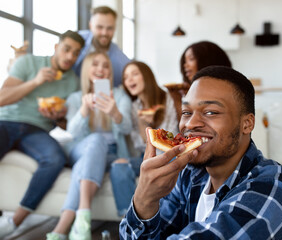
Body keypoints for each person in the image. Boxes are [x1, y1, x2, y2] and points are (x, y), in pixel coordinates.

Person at [119, 66, 282, 239]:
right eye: (186, 112)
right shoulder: (189, 175)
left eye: (210, 112)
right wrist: (144, 200)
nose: (190, 124)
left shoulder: (269, 187)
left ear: (247, 123)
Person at [0, 30, 85, 238]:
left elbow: (68, 126)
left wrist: (59, 117)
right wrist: (35, 82)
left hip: (37, 130)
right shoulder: (28, 63)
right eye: (66, 50)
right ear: (56, 47)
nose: (69, 57)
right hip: (6, 121)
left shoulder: (73, 81)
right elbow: (2, 98)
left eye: (75, 53)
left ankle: (13, 222)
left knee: (54, 158)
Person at [46, 51, 134, 240]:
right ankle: (83, 215)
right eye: (95, 64)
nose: (101, 69)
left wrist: (115, 113)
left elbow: (127, 127)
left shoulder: (119, 96)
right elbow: (72, 134)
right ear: (86, 69)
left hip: (110, 154)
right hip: (81, 149)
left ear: (110, 72)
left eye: (105, 66)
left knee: (86, 162)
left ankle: (60, 231)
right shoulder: (76, 98)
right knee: (96, 141)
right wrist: (84, 111)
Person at [109, 61, 179, 209]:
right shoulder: (135, 108)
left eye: (134, 74)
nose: (129, 80)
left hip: (169, 157)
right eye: (126, 77)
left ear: (146, 76)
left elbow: (170, 140)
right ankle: (129, 217)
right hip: (146, 157)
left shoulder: (167, 99)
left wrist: (154, 125)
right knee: (118, 165)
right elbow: (139, 144)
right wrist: (143, 124)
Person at [166, 40, 232, 120]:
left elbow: (194, 124)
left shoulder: (225, 93)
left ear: (207, 61)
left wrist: (178, 101)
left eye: (191, 59)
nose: (185, 65)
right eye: (185, 61)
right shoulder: (186, 92)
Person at [73, 5, 130, 88]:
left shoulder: (122, 61)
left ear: (115, 28)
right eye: (100, 27)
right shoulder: (75, 41)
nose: (104, 33)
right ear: (90, 26)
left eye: (110, 28)